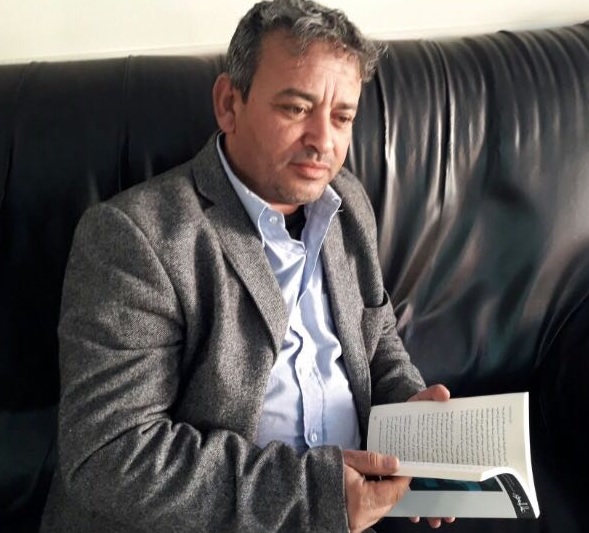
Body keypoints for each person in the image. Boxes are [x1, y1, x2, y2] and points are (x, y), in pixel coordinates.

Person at [40, 1, 454, 532]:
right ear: (228, 104)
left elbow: (376, 338)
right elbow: (111, 455)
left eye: (342, 117)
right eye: (296, 108)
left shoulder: (346, 203)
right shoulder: (135, 238)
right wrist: (315, 496)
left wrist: (411, 414)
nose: (323, 142)